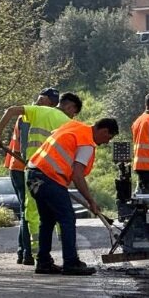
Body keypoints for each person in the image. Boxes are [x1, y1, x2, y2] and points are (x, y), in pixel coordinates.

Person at [0, 90, 83, 266]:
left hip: (33, 170)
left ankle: (34, 254)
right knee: (63, 215)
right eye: (74, 111)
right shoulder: (70, 124)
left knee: (33, 211)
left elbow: (10, 110)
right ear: (70, 107)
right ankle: (67, 255)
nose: (74, 115)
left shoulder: (39, 111)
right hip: (56, 174)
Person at [26, 117, 118, 276]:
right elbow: (77, 176)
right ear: (103, 131)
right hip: (50, 178)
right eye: (108, 137)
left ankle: (43, 262)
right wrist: (91, 201)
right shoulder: (86, 143)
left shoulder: (74, 126)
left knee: (47, 220)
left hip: (34, 174)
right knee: (67, 219)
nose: (106, 142)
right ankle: (71, 262)